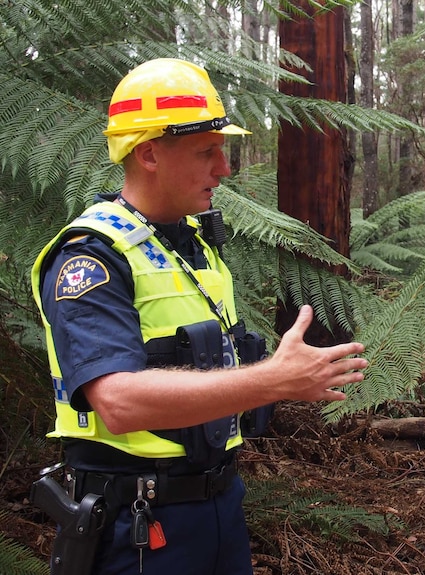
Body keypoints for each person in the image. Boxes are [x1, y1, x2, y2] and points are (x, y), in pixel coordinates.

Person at [30, 58, 368, 575]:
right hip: (136, 524)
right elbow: (117, 402)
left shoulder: (195, 247)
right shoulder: (91, 258)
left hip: (217, 507)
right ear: (148, 155)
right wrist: (272, 381)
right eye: (206, 151)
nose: (224, 168)